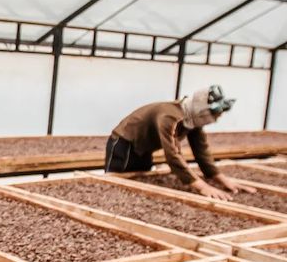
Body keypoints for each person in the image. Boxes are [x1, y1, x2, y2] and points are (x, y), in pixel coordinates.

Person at [105, 85, 255, 200]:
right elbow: (173, 154)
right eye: (215, 114)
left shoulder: (192, 121)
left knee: (138, 183)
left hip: (144, 148)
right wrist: (201, 186)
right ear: (201, 110)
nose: (217, 118)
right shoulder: (170, 117)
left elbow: (201, 151)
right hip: (124, 144)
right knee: (116, 185)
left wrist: (220, 178)